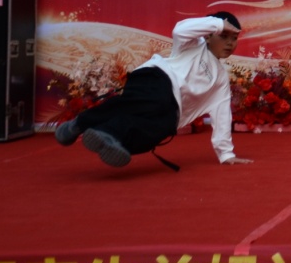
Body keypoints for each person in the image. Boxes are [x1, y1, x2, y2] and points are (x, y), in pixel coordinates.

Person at [55, 12, 252, 168]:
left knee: (160, 130)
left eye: (234, 38)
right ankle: (82, 124)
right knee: (155, 101)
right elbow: (180, 29)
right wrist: (218, 24)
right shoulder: (193, 43)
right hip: (155, 77)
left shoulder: (220, 79)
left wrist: (226, 154)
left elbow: (222, 113)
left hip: (170, 107)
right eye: (224, 36)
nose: (230, 43)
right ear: (208, 36)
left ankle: (112, 138)